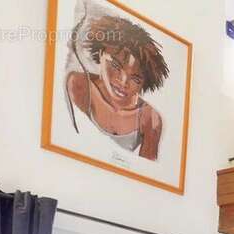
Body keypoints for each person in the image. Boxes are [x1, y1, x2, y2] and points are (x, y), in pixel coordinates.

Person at [66, 13, 168, 161]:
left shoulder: (149, 119)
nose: (123, 82)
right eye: (115, 65)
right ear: (100, 53)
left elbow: (146, 169)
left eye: (135, 78)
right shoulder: (80, 85)